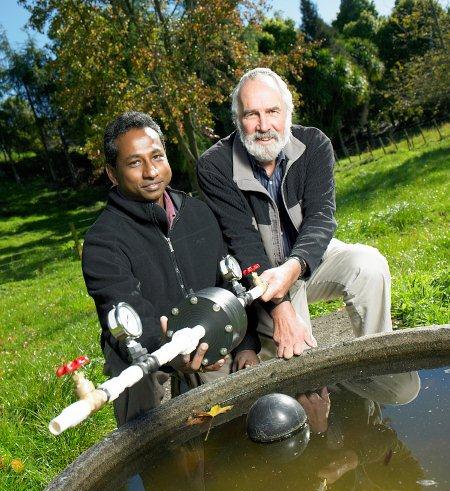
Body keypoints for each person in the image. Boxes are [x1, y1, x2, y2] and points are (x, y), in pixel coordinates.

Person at [197, 68, 392, 360]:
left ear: (288, 113)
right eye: (251, 115)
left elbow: (321, 218)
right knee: (297, 350)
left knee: (369, 265)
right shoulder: (214, 166)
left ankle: (380, 370)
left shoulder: (314, 144)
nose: (264, 125)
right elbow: (241, 241)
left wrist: (295, 266)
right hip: (257, 273)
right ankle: (313, 389)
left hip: (307, 258)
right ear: (238, 121)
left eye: (272, 111)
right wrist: (280, 307)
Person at [82, 111, 260, 426]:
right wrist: (171, 354)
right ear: (112, 173)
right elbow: (126, 313)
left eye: (157, 157)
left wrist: (245, 344)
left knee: (237, 426)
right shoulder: (102, 242)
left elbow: (229, 284)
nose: (151, 171)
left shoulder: (199, 213)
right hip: (146, 354)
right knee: (157, 445)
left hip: (207, 338)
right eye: (134, 163)